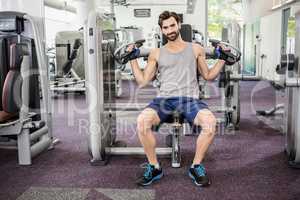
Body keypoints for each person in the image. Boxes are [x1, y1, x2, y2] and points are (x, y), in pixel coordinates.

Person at [127, 11, 227, 187]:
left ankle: (196, 166)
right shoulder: (156, 53)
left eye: (172, 25)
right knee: (142, 121)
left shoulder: (196, 48)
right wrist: (132, 59)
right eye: (165, 27)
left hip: (190, 99)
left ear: (179, 24)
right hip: (164, 100)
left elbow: (208, 75)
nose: (170, 30)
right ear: (162, 30)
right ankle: (154, 167)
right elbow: (143, 81)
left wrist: (223, 59)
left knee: (210, 123)